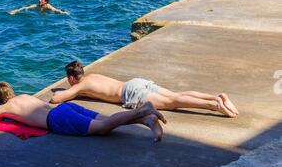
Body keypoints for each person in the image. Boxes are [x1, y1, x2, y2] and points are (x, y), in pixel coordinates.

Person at [0, 82, 166, 142]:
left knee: (103, 128)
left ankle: (144, 109)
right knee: (110, 120)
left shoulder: (5, 107)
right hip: (64, 108)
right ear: (11, 91)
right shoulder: (24, 96)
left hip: (57, 118)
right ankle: (147, 120)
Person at [50, 61, 239, 118]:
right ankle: (217, 96)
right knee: (176, 95)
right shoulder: (92, 76)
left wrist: (61, 92)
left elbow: (57, 99)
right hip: (136, 82)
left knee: (172, 103)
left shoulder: (81, 85)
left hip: (131, 93)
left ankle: (214, 105)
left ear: (71, 77)